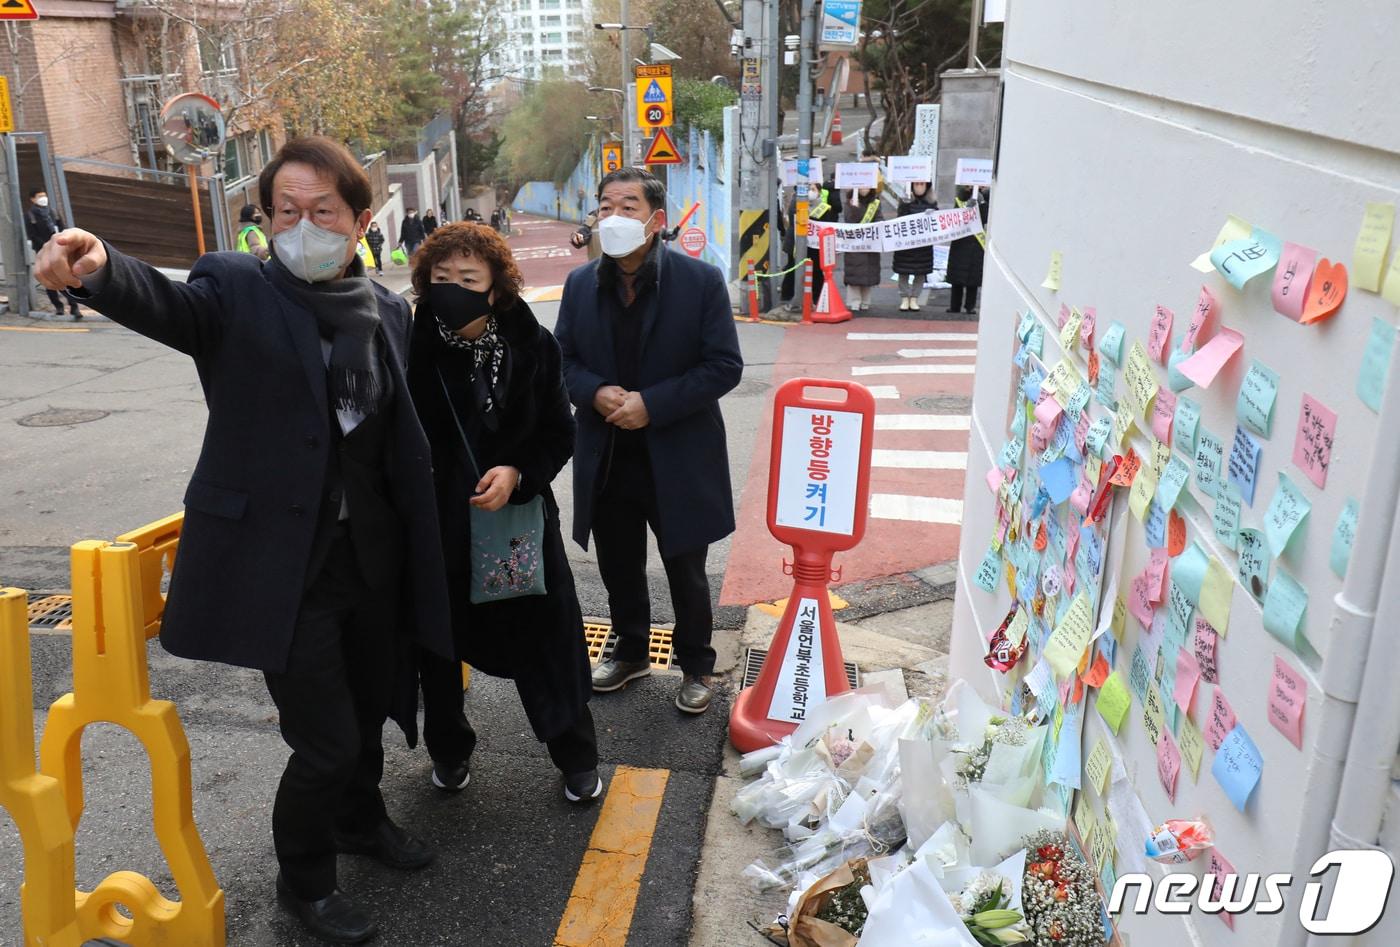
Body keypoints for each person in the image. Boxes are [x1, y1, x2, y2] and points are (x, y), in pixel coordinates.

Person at [34, 136, 455, 946]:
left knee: (368, 705)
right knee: (324, 737)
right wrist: (98, 263)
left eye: (322, 211)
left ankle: (361, 822)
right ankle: (305, 879)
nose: (303, 225)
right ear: (264, 218)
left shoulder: (387, 310)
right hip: (278, 565)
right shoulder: (234, 287)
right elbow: (164, 304)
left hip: (367, 554)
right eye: (285, 211)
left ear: (361, 219)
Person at [406, 222, 602, 804]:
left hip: (516, 526)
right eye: (440, 278)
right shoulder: (407, 343)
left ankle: (575, 756)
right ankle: (449, 751)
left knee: (547, 640)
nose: (452, 289)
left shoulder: (532, 344)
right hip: (436, 527)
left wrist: (518, 472)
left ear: (495, 287)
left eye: (468, 278)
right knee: (438, 647)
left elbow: (558, 433)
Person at [555, 167, 743, 715]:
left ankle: (696, 665)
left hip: (679, 453)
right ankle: (632, 649)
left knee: (685, 566)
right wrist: (595, 393)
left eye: (628, 207)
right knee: (618, 562)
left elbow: (724, 366)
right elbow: (563, 360)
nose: (613, 218)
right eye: (605, 207)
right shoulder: (579, 284)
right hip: (607, 451)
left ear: (656, 221)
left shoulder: (699, 282)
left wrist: (651, 405)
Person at [24, 189, 84, 319]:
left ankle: (74, 307)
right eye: (40, 196)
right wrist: (48, 245)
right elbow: (32, 235)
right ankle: (58, 307)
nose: (43, 198)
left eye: (44, 195)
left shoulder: (53, 212)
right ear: (32, 199)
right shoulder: (30, 216)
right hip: (43, 251)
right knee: (49, 279)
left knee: (65, 277)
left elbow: (63, 229)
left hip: (60, 250)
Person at [892, 181, 937, 311]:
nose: (919, 187)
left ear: (927, 187)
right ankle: (904, 298)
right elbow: (900, 219)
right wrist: (905, 205)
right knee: (903, 272)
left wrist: (933, 214)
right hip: (906, 245)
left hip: (923, 246)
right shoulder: (905, 201)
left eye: (922, 184)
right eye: (916, 184)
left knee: (920, 273)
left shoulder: (932, 203)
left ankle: (915, 298)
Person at [947, 185, 989, 314]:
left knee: (973, 278)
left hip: (977, 242)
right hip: (961, 241)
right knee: (957, 278)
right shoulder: (960, 197)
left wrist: (982, 202)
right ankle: (955, 306)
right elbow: (955, 218)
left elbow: (986, 218)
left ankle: (970, 306)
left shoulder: (986, 197)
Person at [842, 181, 883, 311]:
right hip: (854, 243)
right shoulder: (849, 202)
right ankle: (854, 301)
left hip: (870, 243)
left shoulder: (875, 202)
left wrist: (876, 225)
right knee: (854, 271)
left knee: (868, 273)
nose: (864, 189)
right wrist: (854, 207)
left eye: (866, 186)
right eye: (861, 186)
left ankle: (866, 300)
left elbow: (879, 218)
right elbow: (849, 220)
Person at [806, 178, 841, 308]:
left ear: (819, 192)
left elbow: (828, 226)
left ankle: (817, 298)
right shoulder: (799, 205)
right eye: (808, 189)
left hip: (817, 246)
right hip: (803, 246)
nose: (810, 192)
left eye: (813, 189)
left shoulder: (825, 208)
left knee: (816, 273)